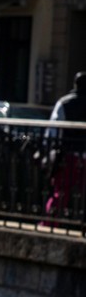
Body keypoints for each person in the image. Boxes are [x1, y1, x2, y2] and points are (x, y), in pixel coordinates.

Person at [45, 71, 86, 222]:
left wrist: (50, 149)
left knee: (61, 191)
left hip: (69, 153)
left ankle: (51, 222)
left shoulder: (65, 102)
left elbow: (53, 129)